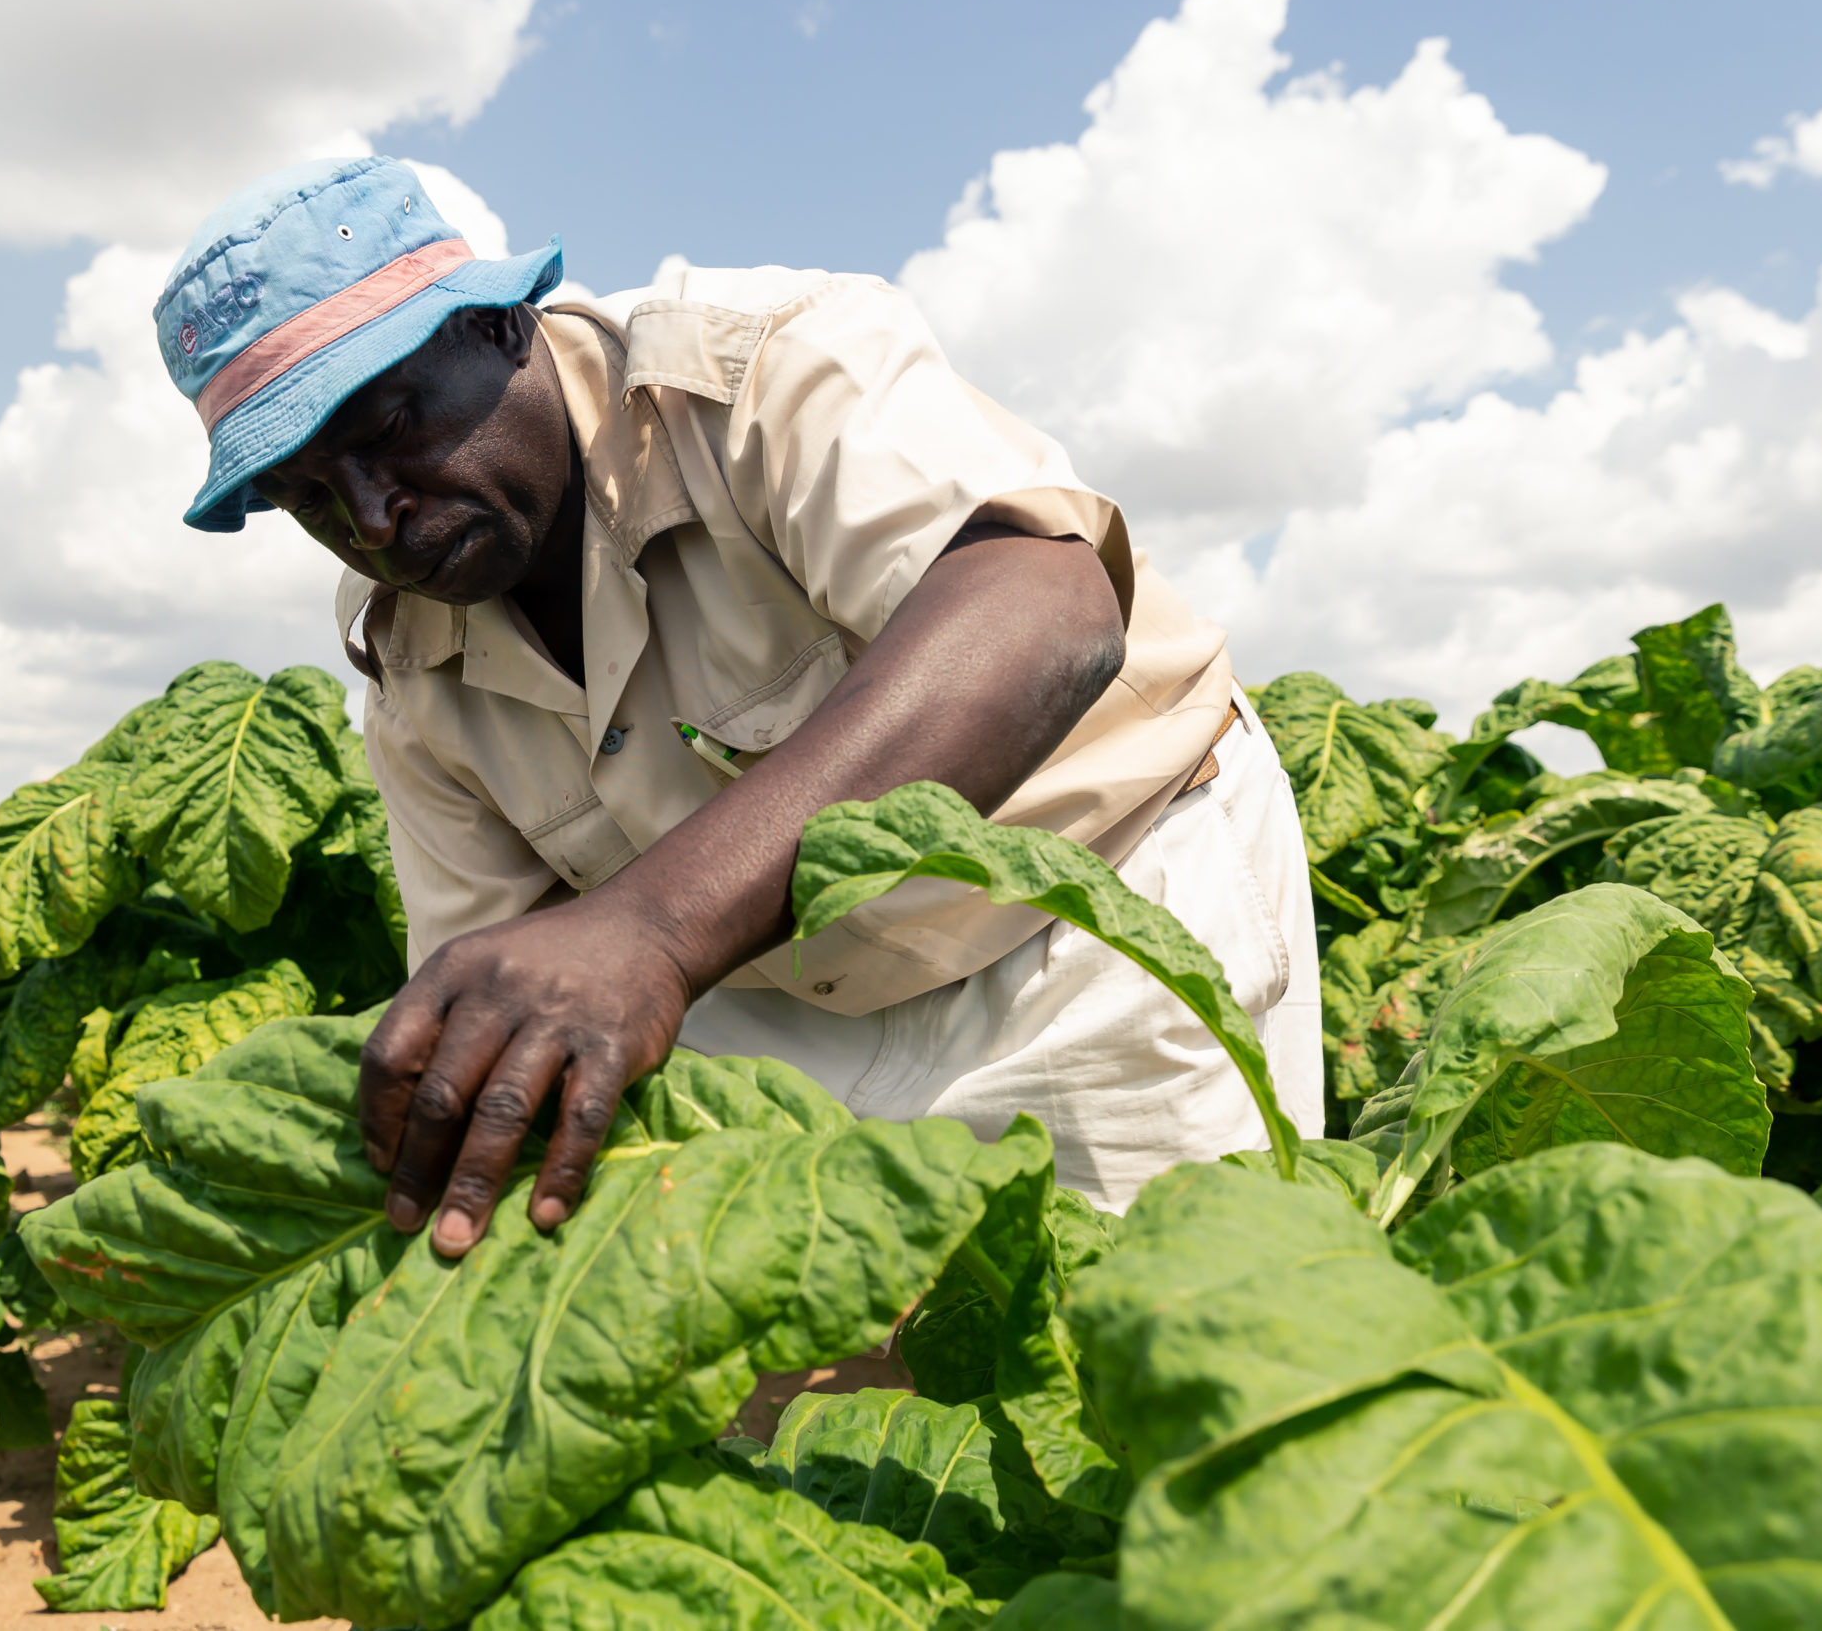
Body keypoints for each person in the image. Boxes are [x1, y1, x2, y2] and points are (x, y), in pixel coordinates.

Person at [154, 156, 1322, 1254]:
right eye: (308, 496)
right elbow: (497, 977)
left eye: (392, 431)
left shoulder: (754, 369)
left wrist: (650, 930)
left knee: (1170, 1368)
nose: (369, 519)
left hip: (1098, 918)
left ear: (500, 325)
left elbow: (1044, 608)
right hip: (789, 1005)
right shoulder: (410, 659)